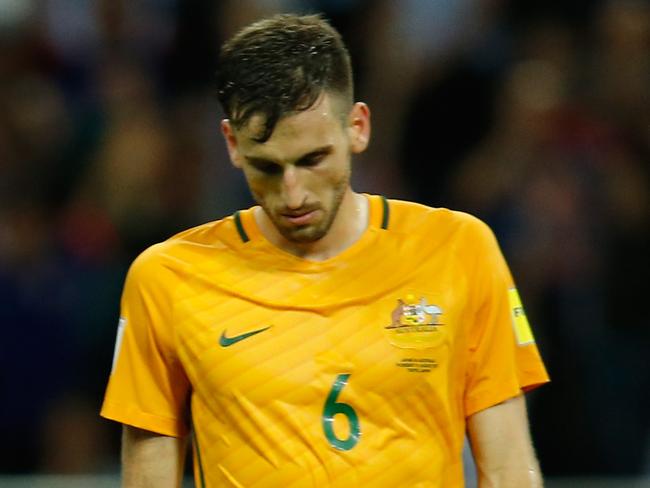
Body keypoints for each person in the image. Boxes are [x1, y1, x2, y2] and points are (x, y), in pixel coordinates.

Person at [100, 13, 549, 488]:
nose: (293, 194)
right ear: (232, 144)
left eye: (313, 159)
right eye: (267, 167)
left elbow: (507, 466)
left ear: (357, 127)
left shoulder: (460, 250)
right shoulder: (167, 278)